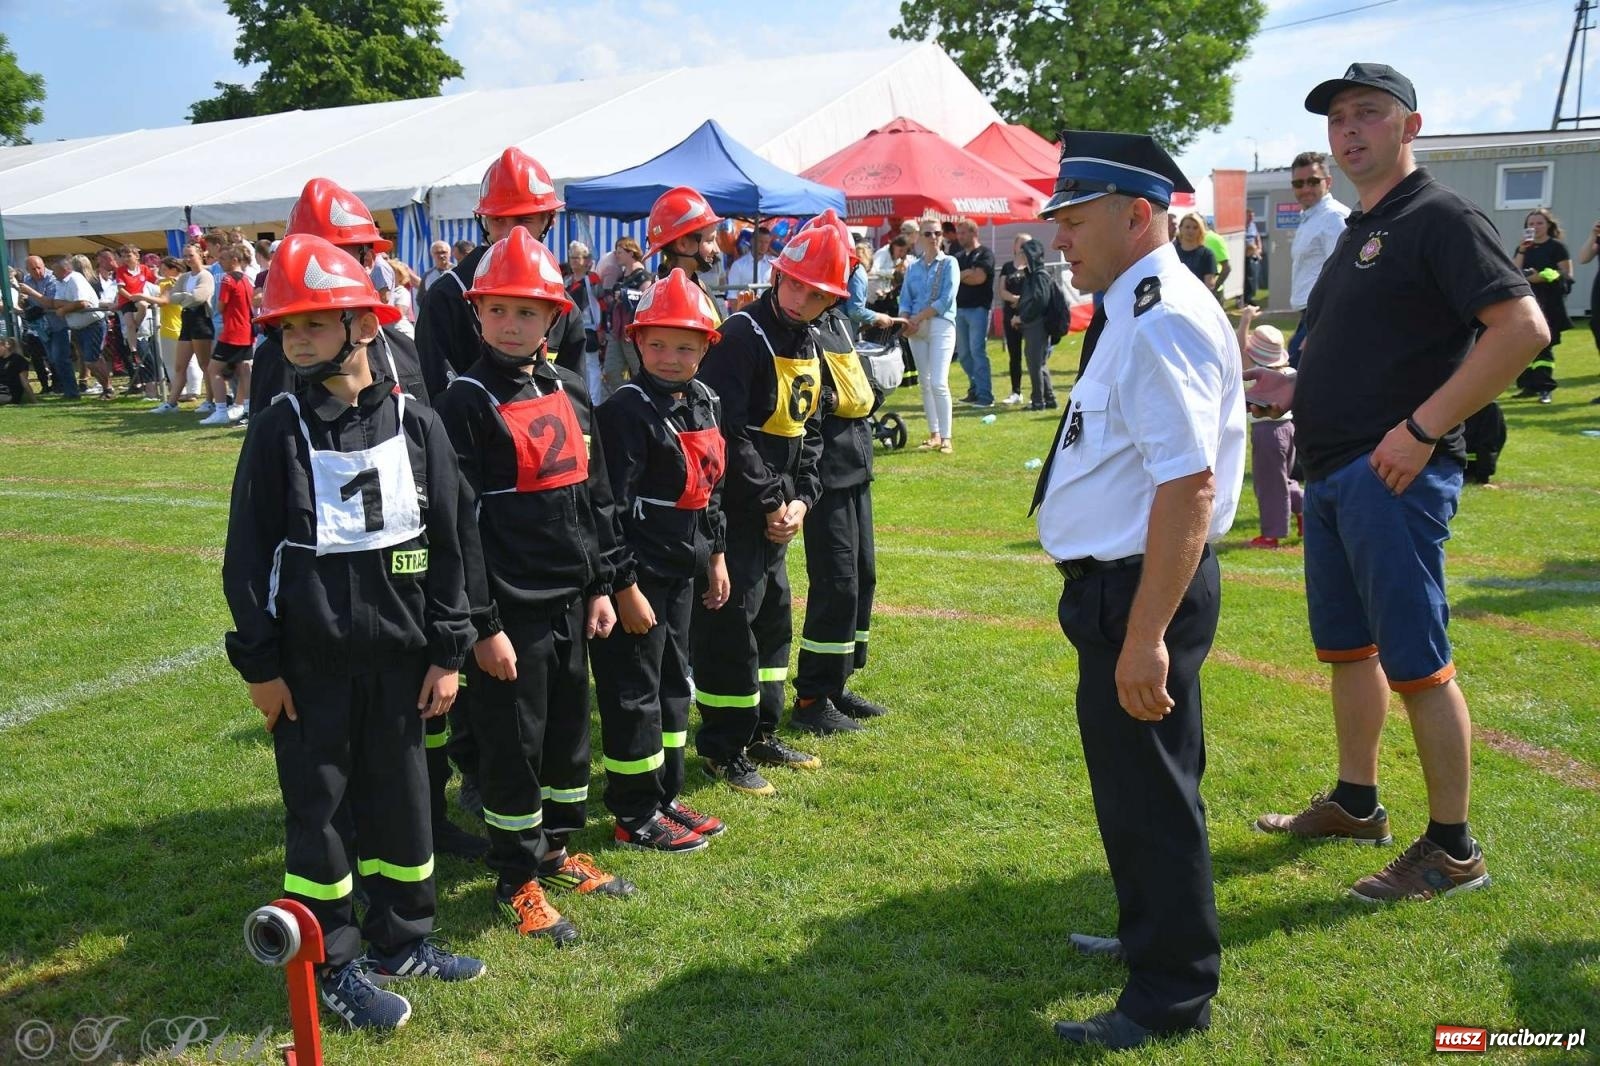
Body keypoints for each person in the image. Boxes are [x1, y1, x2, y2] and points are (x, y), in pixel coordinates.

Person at [1250, 62, 1547, 903]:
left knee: (1418, 662)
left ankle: (1453, 852)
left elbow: (1521, 327)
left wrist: (1423, 430)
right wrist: (1293, 387)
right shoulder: (1358, 227)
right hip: (1336, 471)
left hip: (1394, 476)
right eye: (1340, 119)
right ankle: (1356, 801)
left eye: (1369, 115)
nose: (1349, 133)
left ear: (1409, 127)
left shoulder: (1441, 216)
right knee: (1349, 652)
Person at [221, 233, 485, 1032]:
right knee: (323, 819)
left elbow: (452, 542)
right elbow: (247, 557)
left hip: (404, 664)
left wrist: (448, 650)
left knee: (403, 803)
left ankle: (403, 939)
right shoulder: (277, 431)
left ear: (363, 325)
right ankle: (333, 962)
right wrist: (262, 667)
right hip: (312, 673)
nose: (298, 340)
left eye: (314, 323)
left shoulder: (417, 424)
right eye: (287, 328)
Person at [1029, 130, 1244, 1051]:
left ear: (1138, 214)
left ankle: (1171, 992)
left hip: (1140, 591)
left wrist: (1145, 633)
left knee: (1151, 793)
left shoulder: (1157, 317)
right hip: (1123, 587)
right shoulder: (1133, 305)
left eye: (1074, 221)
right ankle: (1146, 933)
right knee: (1136, 786)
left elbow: (1187, 483)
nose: (1059, 240)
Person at [434, 226, 630, 945]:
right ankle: (515, 877)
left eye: (528, 311)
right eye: (498, 311)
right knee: (511, 744)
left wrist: (600, 586)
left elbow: (592, 498)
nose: (512, 324)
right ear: (477, 315)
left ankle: (554, 849)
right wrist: (482, 626)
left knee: (567, 738)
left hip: (569, 604)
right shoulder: (462, 401)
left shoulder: (572, 390)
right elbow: (457, 527)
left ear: (555, 317)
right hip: (507, 613)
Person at [690, 218, 845, 796]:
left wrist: (803, 498)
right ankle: (723, 747)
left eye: (817, 291)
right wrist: (771, 500)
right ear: (778, 274)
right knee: (731, 626)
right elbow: (726, 432)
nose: (802, 298)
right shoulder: (740, 336)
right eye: (796, 284)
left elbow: (811, 432)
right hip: (735, 511)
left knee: (773, 620)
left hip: (778, 513)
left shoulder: (809, 342)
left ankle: (760, 731)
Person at [592, 268, 731, 851]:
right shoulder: (625, 410)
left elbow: (710, 488)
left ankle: (665, 793)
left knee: (675, 683)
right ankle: (633, 811)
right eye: (657, 344)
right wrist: (624, 587)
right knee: (634, 692)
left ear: (705, 347)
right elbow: (607, 509)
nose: (670, 357)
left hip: (683, 569)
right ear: (637, 343)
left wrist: (716, 555)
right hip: (641, 578)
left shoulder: (704, 400)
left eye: (685, 345)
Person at [788, 210, 892, 735]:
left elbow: (854, 387)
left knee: (862, 577)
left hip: (857, 462)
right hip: (823, 469)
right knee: (836, 580)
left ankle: (839, 682)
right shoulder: (798, 329)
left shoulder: (835, 322)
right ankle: (812, 698)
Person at [1236, 306, 1302, 547]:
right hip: (1290, 429)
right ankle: (1303, 507)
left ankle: (1272, 534)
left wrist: (1245, 321)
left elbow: (1240, 346)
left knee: (1269, 484)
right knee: (1282, 477)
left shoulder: (1257, 375)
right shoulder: (1290, 373)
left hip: (1268, 433)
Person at [899, 216, 959, 453]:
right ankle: (934, 434)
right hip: (915, 328)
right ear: (919, 238)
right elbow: (905, 298)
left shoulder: (949, 263)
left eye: (938, 233)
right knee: (924, 383)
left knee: (938, 382)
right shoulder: (912, 266)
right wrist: (905, 320)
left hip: (940, 324)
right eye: (928, 234)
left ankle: (947, 437)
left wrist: (918, 317)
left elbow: (946, 299)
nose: (934, 238)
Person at [1286, 150, 1351, 364]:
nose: (1305, 189)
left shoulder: (1333, 217)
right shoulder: (1310, 217)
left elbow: (1344, 275)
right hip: (1309, 315)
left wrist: (1317, 330)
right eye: (1298, 183)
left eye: (1313, 181)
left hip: (1322, 316)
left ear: (1328, 182)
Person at [1510, 207, 1571, 403]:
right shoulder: (1523, 247)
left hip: (1549, 301)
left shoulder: (1557, 247)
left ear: (1548, 225)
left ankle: (1545, 388)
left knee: (1544, 347)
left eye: (1539, 223)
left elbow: (1566, 275)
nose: (1535, 227)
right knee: (1522, 347)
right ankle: (1528, 386)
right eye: (1531, 224)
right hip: (1526, 301)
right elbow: (1512, 272)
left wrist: (1543, 276)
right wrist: (1521, 249)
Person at [200, 246, 253, 425]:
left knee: (214, 370)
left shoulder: (227, 279)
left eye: (223, 258)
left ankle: (221, 410)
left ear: (234, 260)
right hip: (246, 331)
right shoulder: (246, 279)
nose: (219, 262)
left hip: (232, 332)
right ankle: (248, 409)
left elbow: (221, 306)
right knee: (245, 371)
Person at [952, 219, 996, 408]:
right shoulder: (958, 256)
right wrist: (966, 273)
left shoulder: (985, 254)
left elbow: (979, 278)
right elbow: (952, 279)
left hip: (978, 309)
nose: (959, 237)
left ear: (973, 233)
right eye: (958, 233)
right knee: (964, 354)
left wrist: (961, 275)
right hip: (959, 309)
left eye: (963, 233)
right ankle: (975, 389)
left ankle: (985, 396)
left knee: (977, 351)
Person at [1012, 237, 1060, 411]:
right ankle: (1049, 398)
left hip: (1036, 325)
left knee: (1034, 365)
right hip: (1034, 324)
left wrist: (1022, 318)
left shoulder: (1038, 276)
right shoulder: (1035, 275)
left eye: (1023, 254)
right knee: (1040, 364)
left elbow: (1039, 301)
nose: (1021, 257)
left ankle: (1038, 401)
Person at [602, 237, 653, 393]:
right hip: (617, 331)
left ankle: (645, 400)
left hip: (633, 331)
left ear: (631, 253)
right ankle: (626, 397)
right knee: (611, 370)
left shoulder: (643, 275)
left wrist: (625, 294)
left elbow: (647, 297)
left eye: (619, 252)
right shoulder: (621, 275)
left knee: (639, 369)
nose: (616, 255)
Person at [565, 240, 606, 400]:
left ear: (585, 260)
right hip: (571, 326)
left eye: (577, 258)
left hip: (590, 327)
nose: (574, 261)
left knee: (592, 364)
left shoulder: (593, 279)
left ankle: (594, 400)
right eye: (572, 257)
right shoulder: (567, 280)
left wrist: (601, 329)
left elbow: (602, 304)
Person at [997, 235, 1030, 405]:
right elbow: (1001, 290)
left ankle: (1038, 392)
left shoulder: (1032, 267)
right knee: (1014, 355)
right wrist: (1014, 298)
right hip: (1010, 316)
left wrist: (1022, 300)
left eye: (1028, 244)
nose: (1024, 247)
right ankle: (1016, 391)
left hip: (1029, 316)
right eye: (1022, 244)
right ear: (1015, 246)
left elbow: (1035, 290)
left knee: (1033, 355)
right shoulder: (1007, 267)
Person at [724, 226, 776, 300]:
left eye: (766, 242)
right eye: (760, 241)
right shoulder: (738, 265)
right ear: (752, 241)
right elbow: (732, 296)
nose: (763, 245)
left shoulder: (773, 264)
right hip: (747, 308)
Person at [1174, 214, 1218, 290]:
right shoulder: (1172, 253)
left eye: (1195, 228)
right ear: (1180, 228)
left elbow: (1209, 285)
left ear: (1200, 230)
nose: (1191, 231)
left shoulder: (1207, 254)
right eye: (1187, 227)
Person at [1201, 222, 1231, 302]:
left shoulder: (1215, 239)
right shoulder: (1185, 240)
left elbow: (1227, 268)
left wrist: (1214, 288)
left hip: (1213, 291)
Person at [1241, 209, 1262, 306]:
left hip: (1253, 254)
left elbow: (1257, 237)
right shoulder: (1241, 226)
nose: (1251, 218)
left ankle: (1250, 297)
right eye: (1249, 216)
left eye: (1252, 216)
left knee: (1253, 276)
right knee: (1246, 278)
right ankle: (1244, 299)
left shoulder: (1253, 225)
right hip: (1243, 256)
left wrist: (1259, 248)